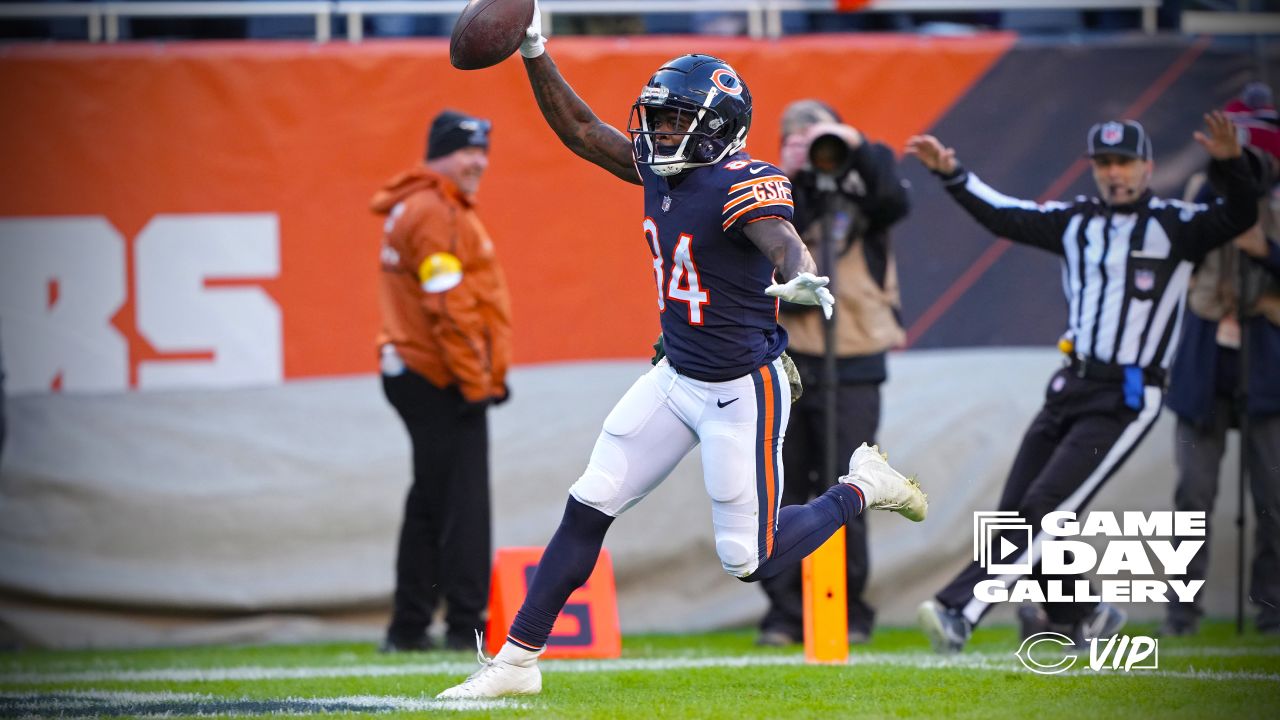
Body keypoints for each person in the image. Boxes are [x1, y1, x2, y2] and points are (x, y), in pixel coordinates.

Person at [436, 2, 927, 699]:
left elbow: (778, 236)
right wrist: (536, 51)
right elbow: (581, 129)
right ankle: (516, 661)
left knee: (748, 559)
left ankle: (862, 486)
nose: (660, 131)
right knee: (590, 500)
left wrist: (795, 270)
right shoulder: (661, 168)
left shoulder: (741, 182)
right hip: (675, 375)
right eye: (658, 117)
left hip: (742, 388)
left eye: (676, 121)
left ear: (718, 129)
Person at [906, 113, 1259, 653]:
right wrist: (953, 175)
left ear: (1147, 166)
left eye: (1124, 162)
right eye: (1104, 163)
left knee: (1047, 505)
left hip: (1128, 394)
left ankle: (960, 610)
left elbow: (1239, 214)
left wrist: (1233, 164)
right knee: (1020, 505)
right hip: (1070, 384)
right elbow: (1006, 215)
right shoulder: (1076, 221)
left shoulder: (1177, 224)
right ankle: (1084, 613)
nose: (1114, 173)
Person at [755, 100, 911, 647]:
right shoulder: (771, 192)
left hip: (856, 355)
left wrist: (852, 145)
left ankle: (851, 607)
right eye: (791, 136)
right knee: (783, 488)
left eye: (814, 135)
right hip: (791, 357)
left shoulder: (867, 188)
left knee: (853, 484)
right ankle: (785, 612)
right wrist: (794, 172)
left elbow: (894, 198)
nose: (806, 143)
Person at [371, 109, 512, 652]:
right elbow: (450, 309)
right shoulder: (436, 212)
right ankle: (465, 627)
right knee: (465, 504)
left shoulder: (420, 204)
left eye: (484, 151)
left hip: (413, 367)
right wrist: (477, 382)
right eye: (467, 150)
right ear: (440, 154)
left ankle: (408, 626)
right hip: (440, 375)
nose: (479, 161)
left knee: (431, 499)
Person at [1163, 83, 1280, 637]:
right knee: (1192, 492)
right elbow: (1177, 255)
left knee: (1275, 494)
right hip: (1206, 354)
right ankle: (1181, 614)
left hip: (1270, 356)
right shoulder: (1198, 188)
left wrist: (1268, 250)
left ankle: (1273, 609)